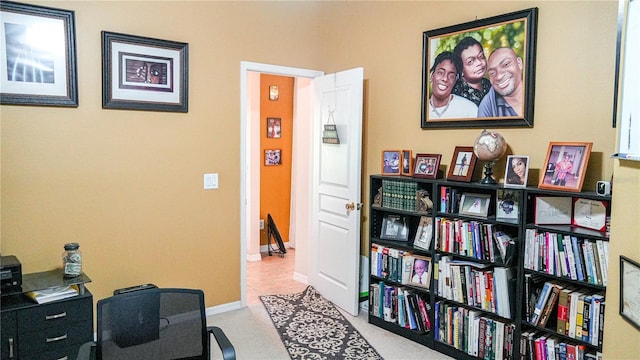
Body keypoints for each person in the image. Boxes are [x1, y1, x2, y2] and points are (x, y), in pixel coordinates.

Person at [428, 51, 478, 119]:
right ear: (431, 76)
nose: (445, 78)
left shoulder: (469, 110)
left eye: (451, 75)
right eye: (440, 73)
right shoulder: (419, 109)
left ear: (455, 81)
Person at [477, 47, 524, 117]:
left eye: (506, 64)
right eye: (492, 73)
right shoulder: (488, 105)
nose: (499, 76)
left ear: (519, 63)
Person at [452, 37, 492, 106]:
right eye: (471, 61)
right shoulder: (456, 95)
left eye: (481, 56)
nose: (479, 62)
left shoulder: (489, 85)